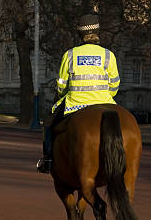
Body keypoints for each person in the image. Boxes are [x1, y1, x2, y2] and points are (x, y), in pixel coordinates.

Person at [37, 14, 120, 174]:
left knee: (48, 124)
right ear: (97, 32)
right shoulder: (108, 55)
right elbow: (115, 84)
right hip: (104, 102)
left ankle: (48, 159)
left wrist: (61, 95)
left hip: (75, 104)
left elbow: (61, 85)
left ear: (80, 34)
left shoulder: (70, 55)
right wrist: (103, 94)